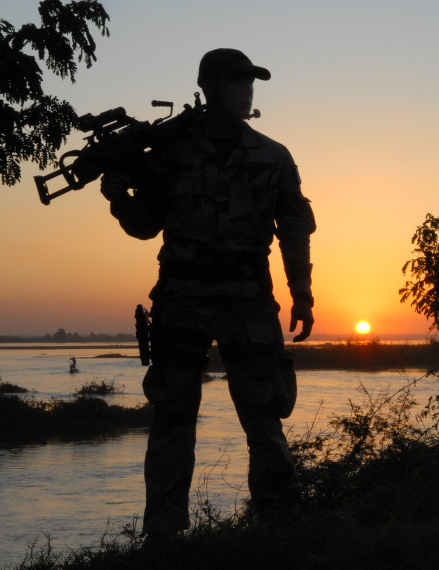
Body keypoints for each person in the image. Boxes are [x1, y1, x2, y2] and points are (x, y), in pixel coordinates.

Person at [99, 48, 316, 536]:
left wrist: (301, 292)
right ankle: (164, 539)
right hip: (182, 301)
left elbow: (295, 225)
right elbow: (144, 226)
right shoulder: (169, 156)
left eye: (251, 82)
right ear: (211, 87)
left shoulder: (273, 155)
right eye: (239, 81)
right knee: (173, 419)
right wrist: (119, 200)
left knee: (264, 420)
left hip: (249, 300)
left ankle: (282, 532)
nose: (248, 90)